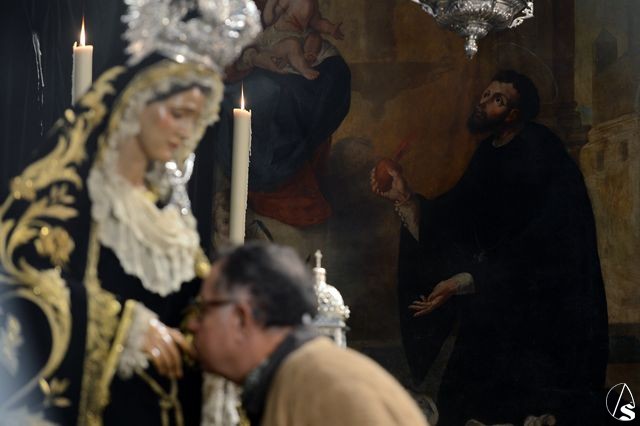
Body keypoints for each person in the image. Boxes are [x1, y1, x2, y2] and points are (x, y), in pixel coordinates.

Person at [0, 0, 262, 421]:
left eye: (196, 119)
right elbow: (16, 278)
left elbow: (186, 302)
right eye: (177, 113)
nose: (185, 132)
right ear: (136, 101)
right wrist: (120, 328)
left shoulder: (166, 210)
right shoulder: (67, 189)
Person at [371, 70, 609, 425]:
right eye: (486, 95)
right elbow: (457, 215)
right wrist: (406, 199)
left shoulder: (541, 150)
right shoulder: (488, 153)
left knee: (526, 407)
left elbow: (546, 239)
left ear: (515, 114)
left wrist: (467, 279)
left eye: (498, 100)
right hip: (496, 297)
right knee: (461, 403)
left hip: (544, 310)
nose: (484, 103)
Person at [188, 242, 429, 426]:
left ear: (242, 318)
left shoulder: (322, 387)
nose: (192, 325)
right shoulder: (302, 376)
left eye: (203, 310)